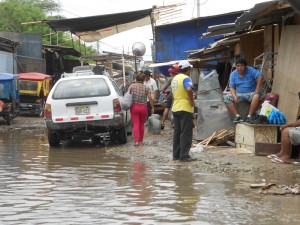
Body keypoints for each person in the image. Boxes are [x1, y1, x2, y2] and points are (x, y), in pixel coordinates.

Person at [224, 58, 264, 123]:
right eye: (238, 66)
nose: (240, 68)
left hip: (251, 93)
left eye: (242, 66)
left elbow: (260, 76)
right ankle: (237, 116)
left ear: (245, 66)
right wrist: (234, 96)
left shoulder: (250, 70)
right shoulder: (233, 74)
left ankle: (249, 116)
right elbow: (231, 87)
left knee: (257, 96)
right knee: (226, 98)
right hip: (240, 94)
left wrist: (257, 90)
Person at [171, 60, 196, 162]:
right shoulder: (186, 78)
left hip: (175, 107)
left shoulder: (174, 78)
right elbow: (189, 89)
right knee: (186, 132)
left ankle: (176, 154)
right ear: (188, 69)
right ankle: (184, 155)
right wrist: (192, 101)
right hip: (185, 108)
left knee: (177, 132)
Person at [128, 73, 154, 146]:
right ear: (144, 79)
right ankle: (141, 141)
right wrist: (152, 107)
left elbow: (128, 96)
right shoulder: (146, 87)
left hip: (134, 107)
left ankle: (136, 141)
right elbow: (150, 98)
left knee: (136, 124)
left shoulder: (131, 86)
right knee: (142, 124)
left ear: (136, 79)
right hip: (143, 107)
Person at [161, 64, 179, 128]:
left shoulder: (171, 78)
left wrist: (163, 91)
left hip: (172, 95)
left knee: (167, 108)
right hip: (178, 95)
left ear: (173, 72)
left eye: (170, 72)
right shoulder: (180, 77)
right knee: (175, 109)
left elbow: (165, 87)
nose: (169, 74)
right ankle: (174, 123)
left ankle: (162, 122)